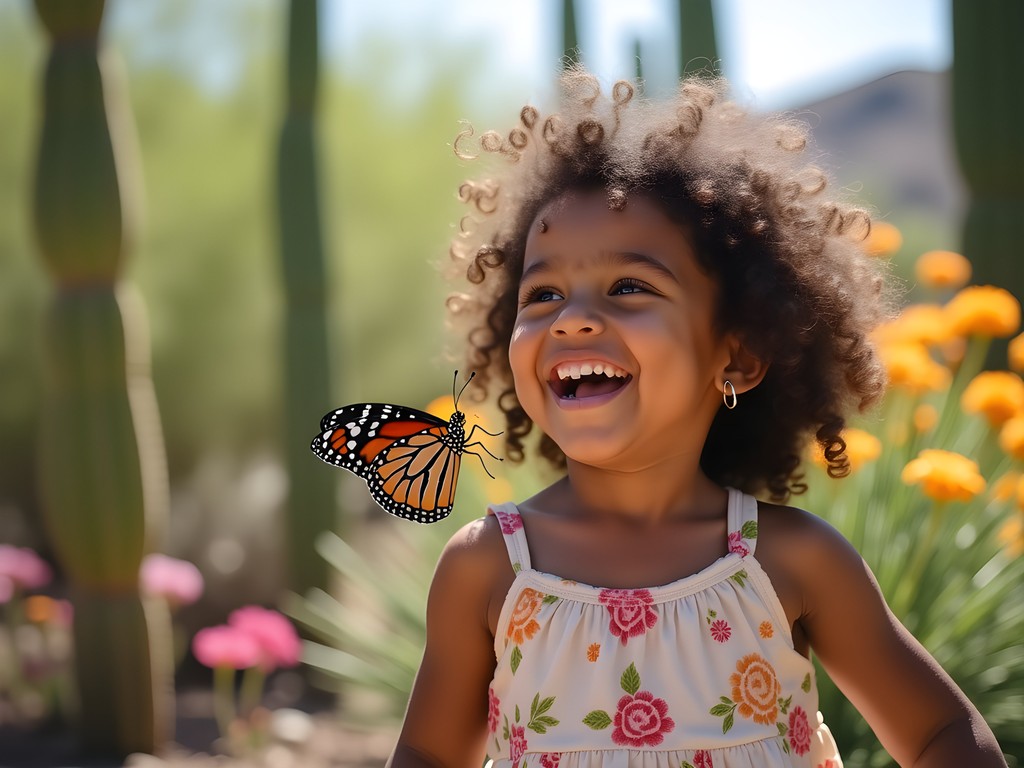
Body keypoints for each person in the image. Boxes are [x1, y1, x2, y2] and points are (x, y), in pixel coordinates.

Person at [386, 69, 1007, 767]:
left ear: (737, 357)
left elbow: (942, 735)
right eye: (544, 295)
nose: (573, 320)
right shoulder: (490, 566)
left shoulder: (792, 561)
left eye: (629, 287)